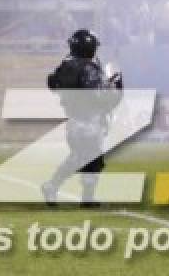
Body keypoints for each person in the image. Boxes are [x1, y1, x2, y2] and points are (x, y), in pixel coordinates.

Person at [41, 29, 123, 208]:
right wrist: (115, 86)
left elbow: (52, 83)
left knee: (80, 157)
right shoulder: (87, 68)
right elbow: (99, 96)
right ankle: (82, 196)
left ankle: (54, 186)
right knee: (92, 159)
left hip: (74, 120)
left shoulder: (66, 66)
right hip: (89, 121)